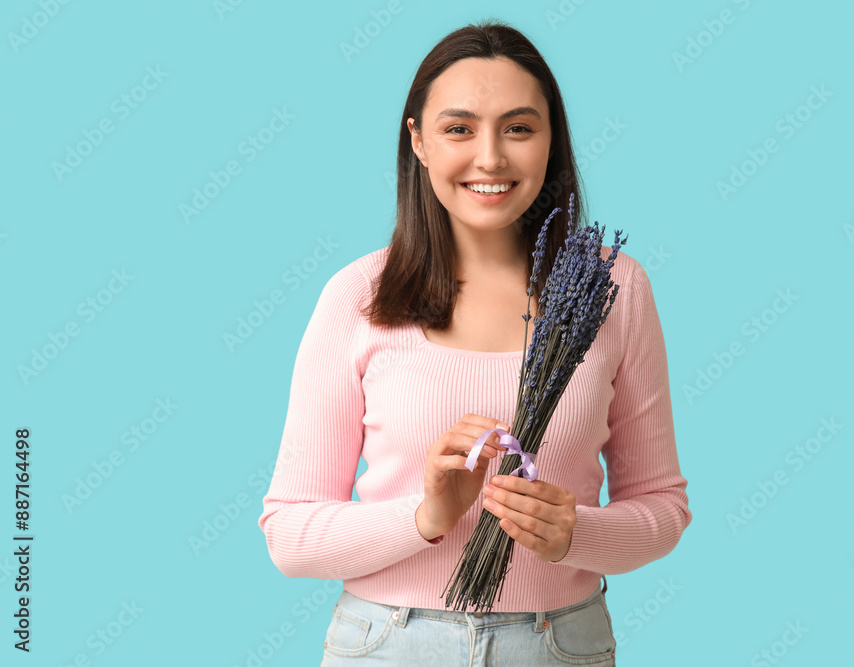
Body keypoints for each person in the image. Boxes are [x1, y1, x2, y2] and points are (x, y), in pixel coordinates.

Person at [257, 18, 692, 667]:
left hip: (559, 644)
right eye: (459, 128)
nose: (490, 158)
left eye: (518, 128)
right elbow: (290, 535)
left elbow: (663, 508)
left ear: (552, 139)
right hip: (388, 644)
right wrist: (427, 514)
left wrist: (574, 532)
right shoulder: (357, 296)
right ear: (418, 140)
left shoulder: (612, 289)